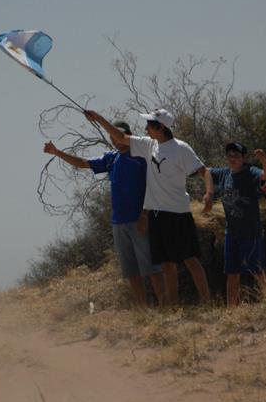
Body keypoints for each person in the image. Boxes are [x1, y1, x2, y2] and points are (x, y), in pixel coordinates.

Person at [85, 109, 213, 306]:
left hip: (179, 213)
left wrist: (209, 193)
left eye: (149, 125)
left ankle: (207, 302)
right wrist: (99, 118)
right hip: (157, 216)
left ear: (160, 127)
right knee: (167, 265)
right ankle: (171, 306)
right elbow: (120, 136)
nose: (145, 128)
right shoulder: (148, 145)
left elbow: (204, 171)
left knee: (190, 260)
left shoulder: (181, 148)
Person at [43, 121, 164, 307]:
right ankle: (142, 309)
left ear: (128, 135)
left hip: (140, 219)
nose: (115, 141)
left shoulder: (143, 156)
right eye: (112, 138)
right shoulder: (111, 158)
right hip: (119, 222)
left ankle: (165, 306)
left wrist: (145, 215)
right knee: (131, 270)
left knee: (152, 268)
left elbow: (154, 186)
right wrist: (57, 152)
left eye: (118, 136)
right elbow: (83, 163)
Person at [209, 142, 266, 306]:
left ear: (243, 158)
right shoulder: (223, 173)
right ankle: (232, 309)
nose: (232, 159)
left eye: (236, 155)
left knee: (257, 270)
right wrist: (208, 192)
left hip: (250, 232)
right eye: (229, 155)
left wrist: (264, 160)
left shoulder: (250, 171)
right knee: (232, 273)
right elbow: (204, 171)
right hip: (232, 233)